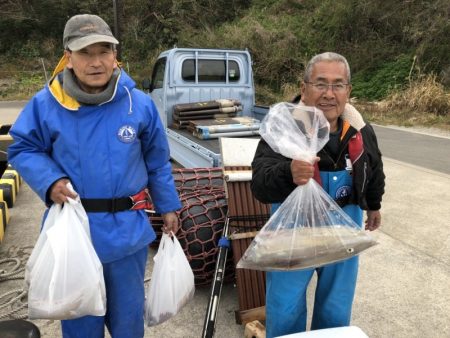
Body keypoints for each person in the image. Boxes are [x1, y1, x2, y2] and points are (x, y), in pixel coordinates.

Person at [8, 14, 181, 338]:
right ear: (68, 57)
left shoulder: (138, 104)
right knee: (80, 325)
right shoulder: (47, 103)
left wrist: (168, 206)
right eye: (86, 52)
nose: (96, 61)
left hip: (127, 235)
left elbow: (158, 162)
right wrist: (50, 180)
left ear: (116, 55)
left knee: (128, 324)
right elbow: (24, 148)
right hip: (74, 234)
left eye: (104, 51)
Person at [251, 52, 385, 337]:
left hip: (344, 227)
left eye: (338, 85)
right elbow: (260, 185)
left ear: (348, 91)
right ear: (304, 88)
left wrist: (374, 205)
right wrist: (288, 173)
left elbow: (375, 168)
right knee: (285, 306)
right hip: (291, 232)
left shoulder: (360, 130)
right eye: (320, 84)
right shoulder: (282, 130)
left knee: (336, 307)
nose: (329, 93)